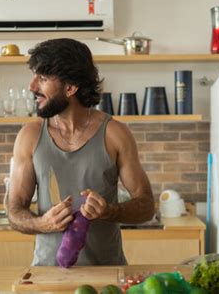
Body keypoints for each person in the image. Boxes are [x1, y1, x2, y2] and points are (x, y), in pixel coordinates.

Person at [8, 38, 154, 266]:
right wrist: (42, 224)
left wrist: (109, 211)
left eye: (43, 78)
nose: (32, 86)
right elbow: (14, 210)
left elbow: (146, 206)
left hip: (107, 275)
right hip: (46, 276)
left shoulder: (114, 134)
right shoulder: (30, 136)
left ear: (70, 87)